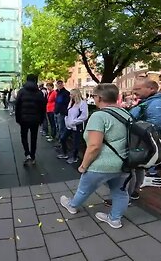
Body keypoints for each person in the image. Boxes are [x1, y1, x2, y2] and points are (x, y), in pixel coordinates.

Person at [60, 84, 130, 229]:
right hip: (124, 162)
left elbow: (94, 146)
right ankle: (115, 219)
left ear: (99, 98)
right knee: (120, 193)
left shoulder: (99, 116)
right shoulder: (126, 114)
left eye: (94, 96)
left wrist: (84, 165)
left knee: (84, 189)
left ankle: (72, 205)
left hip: (102, 164)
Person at [15, 74, 47, 165]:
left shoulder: (21, 92)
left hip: (23, 119)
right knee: (34, 138)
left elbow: (17, 106)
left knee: (24, 136)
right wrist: (41, 119)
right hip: (35, 120)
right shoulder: (39, 93)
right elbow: (42, 107)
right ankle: (33, 156)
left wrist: (18, 118)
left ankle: (27, 154)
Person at [57, 89, 88, 164]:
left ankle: (74, 157)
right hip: (69, 125)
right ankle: (65, 153)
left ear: (75, 95)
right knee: (63, 138)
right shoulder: (72, 102)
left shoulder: (82, 103)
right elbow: (69, 113)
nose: (70, 96)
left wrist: (74, 122)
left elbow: (84, 116)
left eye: (71, 94)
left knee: (75, 142)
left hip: (77, 126)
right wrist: (67, 121)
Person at [54, 80, 70, 146]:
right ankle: (60, 141)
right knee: (58, 126)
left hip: (62, 112)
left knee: (61, 127)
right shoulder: (57, 92)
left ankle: (62, 142)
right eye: (58, 84)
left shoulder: (65, 93)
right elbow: (57, 103)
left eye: (61, 84)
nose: (59, 85)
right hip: (57, 111)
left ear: (63, 85)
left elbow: (62, 103)